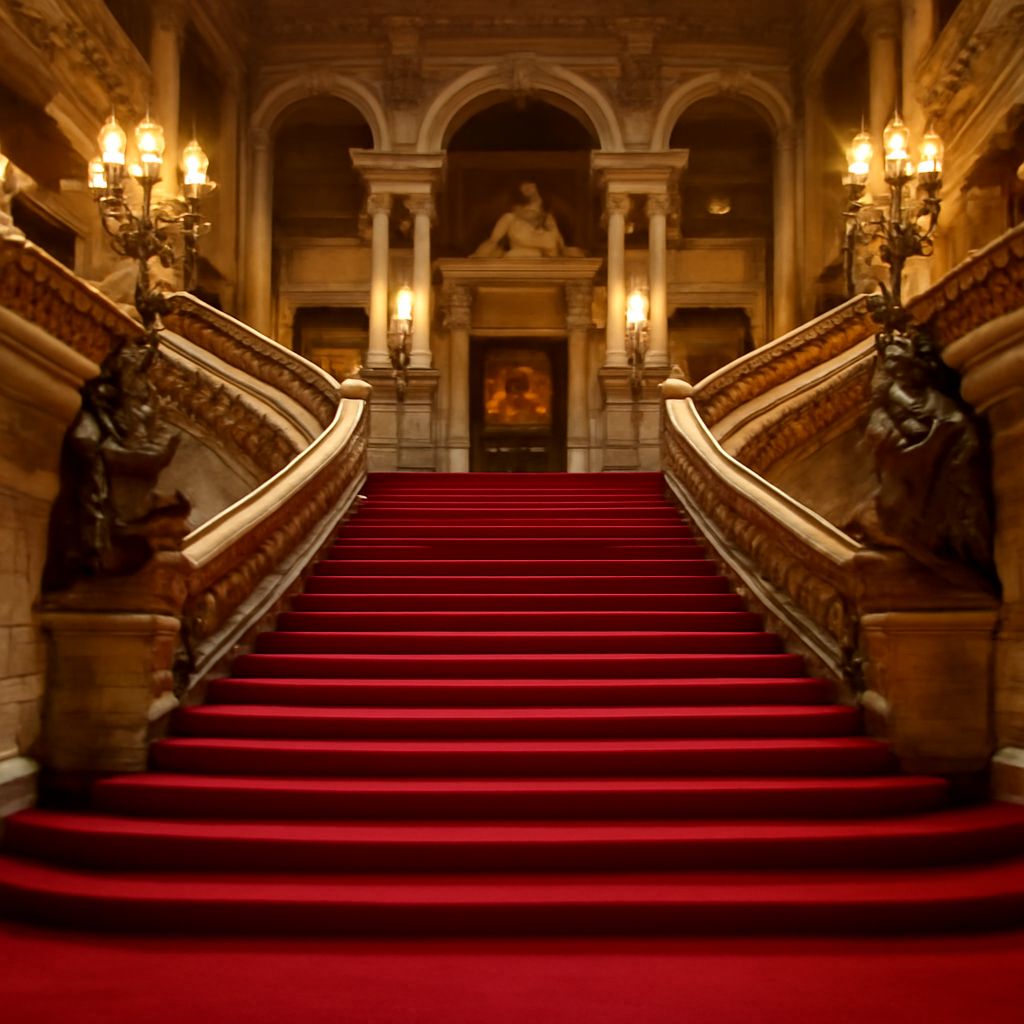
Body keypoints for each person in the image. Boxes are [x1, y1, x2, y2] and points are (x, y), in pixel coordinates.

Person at [473, 181, 571, 257]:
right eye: (524, 185)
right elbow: (492, 242)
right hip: (516, 268)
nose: (528, 187)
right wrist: (477, 258)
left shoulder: (549, 219)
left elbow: (561, 248)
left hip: (547, 271)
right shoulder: (509, 218)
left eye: (531, 184)